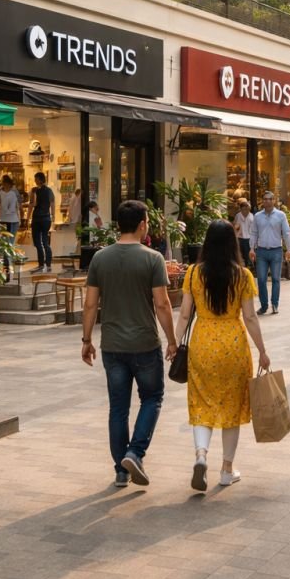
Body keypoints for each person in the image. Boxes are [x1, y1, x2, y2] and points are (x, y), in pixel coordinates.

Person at [82, 200, 176, 488]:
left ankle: (121, 471)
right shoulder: (152, 258)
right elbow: (162, 304)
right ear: (142, 225)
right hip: (145, 344)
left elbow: (89, 304)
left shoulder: (100, 258)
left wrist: (86, 340)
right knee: (152, 398)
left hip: (112, 345)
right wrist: (172, 340)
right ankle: (135, 452)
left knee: (118, 408)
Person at [172, 220, 269, 491]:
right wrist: (262, 350)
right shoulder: (242, 275)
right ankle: (226, 469)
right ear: (232, 243)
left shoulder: (193, 273)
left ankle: (201, 455)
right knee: (231, 407)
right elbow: (249, 316)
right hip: (233, 345)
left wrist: (173, 342)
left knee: (203, 403)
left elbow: (183, 314)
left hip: (202, 342)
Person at [248, 191, 290, 315]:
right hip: (261, 251)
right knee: (261, 279)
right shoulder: (257, 216)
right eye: (265, 199)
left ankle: (275, 304)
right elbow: (254, 233)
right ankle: (263, 305)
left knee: (275, 279)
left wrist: (288, 249)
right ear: (262, 201)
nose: (267, 201)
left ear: (274, 200)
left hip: (276, 251)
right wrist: (252, 248)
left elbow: (286, 232)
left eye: (269, 199)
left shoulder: (281, 215)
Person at [29, 171, 54, 273]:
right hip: (46, 219)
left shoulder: (35, 191)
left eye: (36, 179)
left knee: (37, 242)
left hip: (37, 218)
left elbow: (33, 204)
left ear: (39, 179)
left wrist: (27, 218)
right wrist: (53, 216)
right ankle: (48, 264)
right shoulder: (49, 191)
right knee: (45, 242)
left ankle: (41, 264)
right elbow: (52, 203)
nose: (35, 181)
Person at [234, 198, 254, 264]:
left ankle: (249, 267)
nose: (246, 211)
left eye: (247, 209)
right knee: (241, 255)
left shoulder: (252, 217)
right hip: (240, 238)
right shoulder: (238, 216)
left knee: (248, 256)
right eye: (244, 209)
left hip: (249, 238)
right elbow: (235, 226)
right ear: (241, 209)